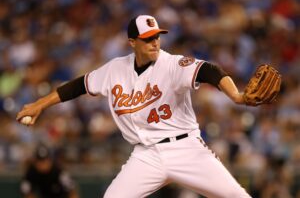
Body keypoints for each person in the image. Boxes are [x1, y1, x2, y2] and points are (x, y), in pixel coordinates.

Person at [17, 15, 252, 197]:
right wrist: (40, 104)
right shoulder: (115, 69)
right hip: (146, 155)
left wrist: (237, 96)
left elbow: (209, 70)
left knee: (235, 195)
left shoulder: (171, 64)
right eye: (148, 38)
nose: (155, 42)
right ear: (132, 42)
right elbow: (78, 86)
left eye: (157, 36)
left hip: (185, 148)